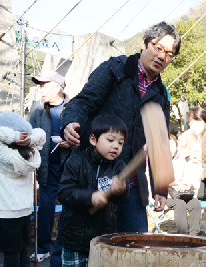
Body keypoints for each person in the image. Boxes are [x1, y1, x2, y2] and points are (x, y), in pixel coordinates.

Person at [60, 22, 181, 232]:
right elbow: (83, 102)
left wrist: (160, 189)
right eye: (158, 48)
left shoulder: (161, 94)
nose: (162, 56)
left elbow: (159, 143)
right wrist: (69, 123)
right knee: (74, 242)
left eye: (169, 54)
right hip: (92, 174)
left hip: (129, 182)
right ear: (144, 44)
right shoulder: (114, 70)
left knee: (136, 244)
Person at [57, 114, 129, 266]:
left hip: (104, 239)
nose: (116, 146)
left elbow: (123, 199)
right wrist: (90, 198)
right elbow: (64, 193)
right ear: (93, 140)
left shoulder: (119, 167)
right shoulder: (75, 162)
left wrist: (120, 190)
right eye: (110, 140)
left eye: (120, 143)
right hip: (73, 239)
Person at [0, 111, 46, 267]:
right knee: (20, 249)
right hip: (23, 208)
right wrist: (28, 138)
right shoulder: (31, 151)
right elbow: (41, 134)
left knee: (11, 253)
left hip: (3, 210)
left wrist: (15, 136)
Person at [28, 71, 71, 264]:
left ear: (58, 87)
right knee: (45, 208)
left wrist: (70, 141)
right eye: (40, 85)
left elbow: (87, 134)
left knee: (71, 207)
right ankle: (43, 248)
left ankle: (65, 247)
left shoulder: (74, 107)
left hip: (70, 167)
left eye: (44, 85)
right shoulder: (38, 111)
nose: (41, 89)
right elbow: (29, 137)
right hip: (46, 168)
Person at [166, 134, 201, 236]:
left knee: (195, 203)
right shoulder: (158, 160)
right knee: (180, 204)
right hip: (166, 195)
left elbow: (187, 176)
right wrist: (174, 184)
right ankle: (183, 236)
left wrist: (185, 185)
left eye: (172, 147)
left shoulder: (181, 159)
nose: (170, 150)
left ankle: (194, 235)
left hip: (182, 193)